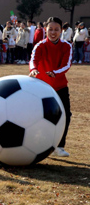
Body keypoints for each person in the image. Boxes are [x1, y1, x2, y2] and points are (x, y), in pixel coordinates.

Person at [30, 16, 72, 157]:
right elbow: (33, 60)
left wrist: (55, 73)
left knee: (65, 115)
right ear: (45, 30)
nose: (53, 32)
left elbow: (66, 65)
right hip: (41, 87)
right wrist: (33, 70)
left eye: (56, 29)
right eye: (50, 29)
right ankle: (37, 144)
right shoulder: (40, 45)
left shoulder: (66, 46)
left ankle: (59, 146)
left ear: (61, 30)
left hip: (60, 86)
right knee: (37, 116)